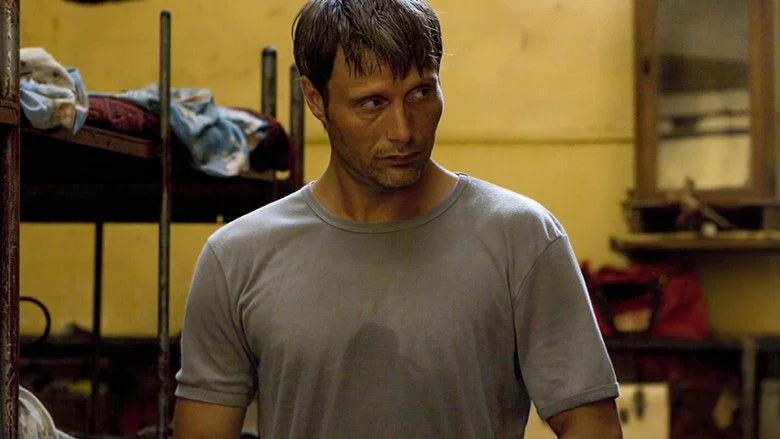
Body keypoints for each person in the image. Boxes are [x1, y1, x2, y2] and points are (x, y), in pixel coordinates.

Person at [172, 0, 623, 437]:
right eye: (373, 103)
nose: (404, 130)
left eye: (420, 93)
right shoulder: (237, 258)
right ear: (314, 98)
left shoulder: (522, 238)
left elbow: (592, 426)